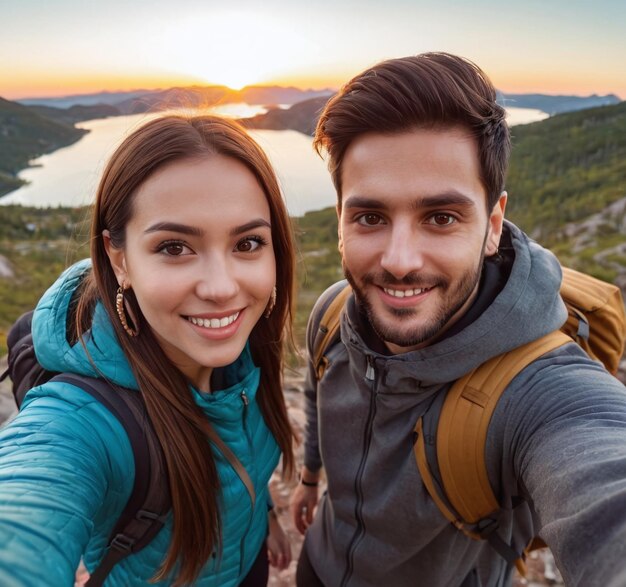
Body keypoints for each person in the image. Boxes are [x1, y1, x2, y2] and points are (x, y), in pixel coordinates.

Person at [289, 52, 626, 586]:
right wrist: (309, 477)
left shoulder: (535, 390)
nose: (400, 260)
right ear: (340, 222)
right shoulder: (334, 315)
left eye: (441, 217)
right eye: (370, 217)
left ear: (493, 225)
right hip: (321, 566)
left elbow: (605, 472)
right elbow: (315, 390)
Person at [0, 114, 296, 586]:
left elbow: (244, 465)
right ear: (120, 260)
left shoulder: (249, 350)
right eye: (175, 247)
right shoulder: (84, 422)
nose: (222, 288)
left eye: (248, 242)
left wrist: (267, 521)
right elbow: (25, 508)